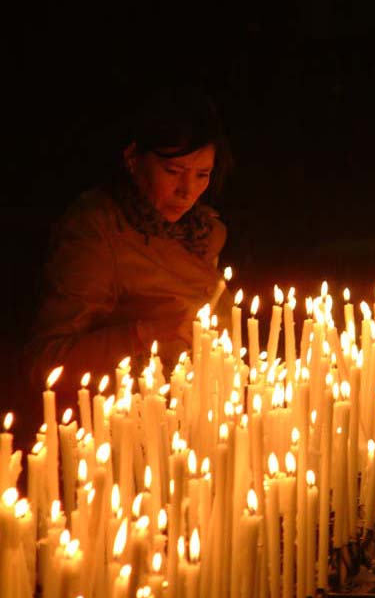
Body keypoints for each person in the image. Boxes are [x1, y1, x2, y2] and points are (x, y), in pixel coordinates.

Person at [25, 85, 234, 400]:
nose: (187, 191)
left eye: (202, 175)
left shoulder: (203, 231)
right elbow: (47, 362)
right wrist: (144, 333)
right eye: (173, 171)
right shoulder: (98, 230)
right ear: (133, 159)